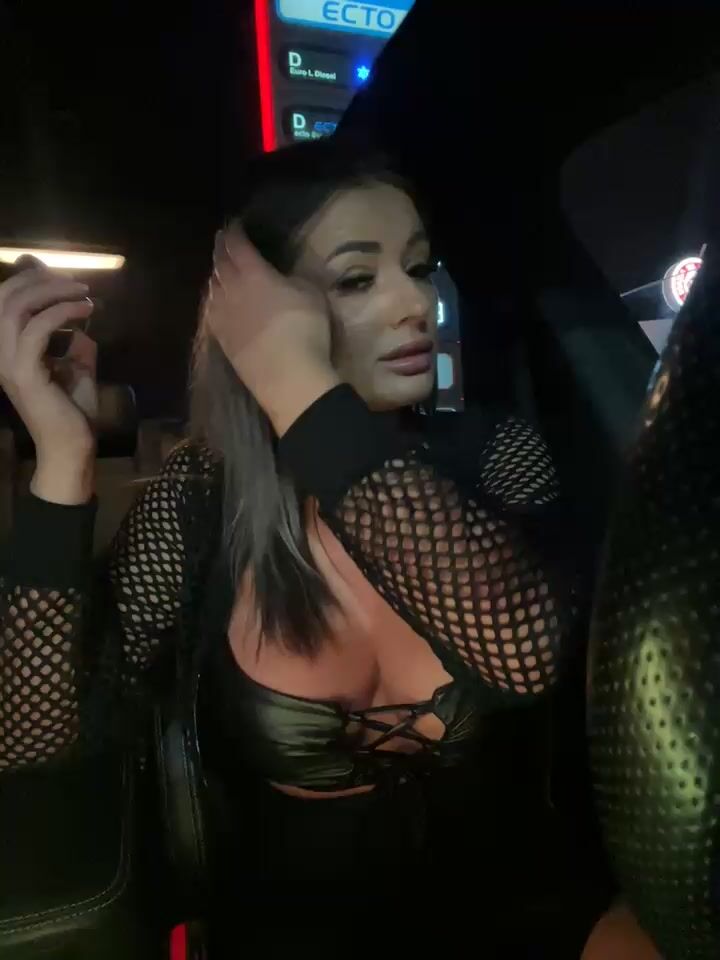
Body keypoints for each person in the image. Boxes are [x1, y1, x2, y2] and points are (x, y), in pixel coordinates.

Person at [0, 138, 659, 954]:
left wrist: (299, 389)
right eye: (356, 279)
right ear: (250, 319)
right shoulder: (203, 494)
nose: (416, 305)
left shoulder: (491, 450)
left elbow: (520, 652)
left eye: (418, 268)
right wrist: (62, 458)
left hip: (523, 915)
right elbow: (31, 733)